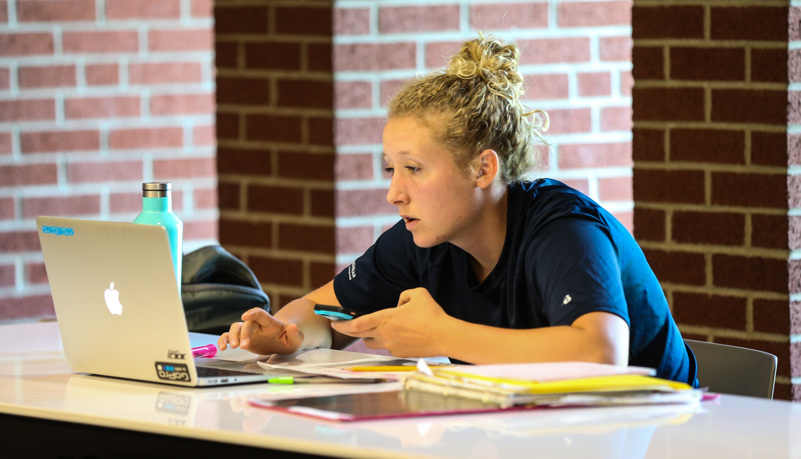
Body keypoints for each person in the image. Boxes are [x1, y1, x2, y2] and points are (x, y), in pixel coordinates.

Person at [218, 34, 698, 386]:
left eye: (414, 169)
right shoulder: (421, 238)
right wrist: (290, 335)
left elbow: (600, 352)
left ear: (482, 169)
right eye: (391, 170)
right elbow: (322, 312)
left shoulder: (563, 229)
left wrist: (442, 334)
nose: (395, 193)